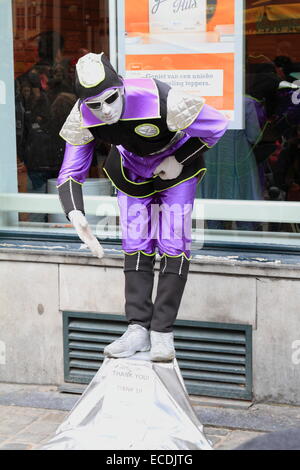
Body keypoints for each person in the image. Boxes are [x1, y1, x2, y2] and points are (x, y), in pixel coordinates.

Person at [57, 52, 228, 361]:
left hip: (175, 165)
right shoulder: (82, 115)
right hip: (129, 168)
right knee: (135, 242)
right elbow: (71, 171)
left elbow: (216, 125)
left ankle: (162, 333)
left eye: (110, 99)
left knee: (173, 242)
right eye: (95, 105)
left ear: (120, 86)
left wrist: (180, 158)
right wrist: (75, 212)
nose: (105, 111)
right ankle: (137, 329)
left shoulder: (161, 98)